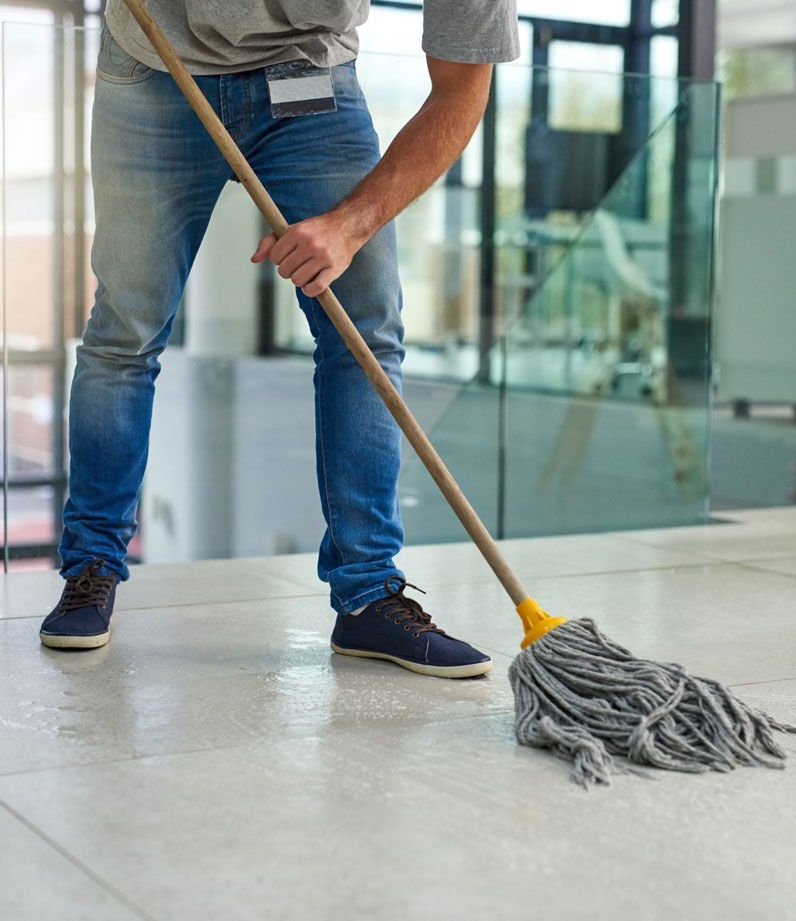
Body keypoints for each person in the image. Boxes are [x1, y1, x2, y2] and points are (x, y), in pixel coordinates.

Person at [38, 0, 518, 679]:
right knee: (125, 331)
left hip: (306, 77)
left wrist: (350, 226)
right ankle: (91, 565)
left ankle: (368, 595)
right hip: (154, 67)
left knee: (365, 334)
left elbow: (463, 89)